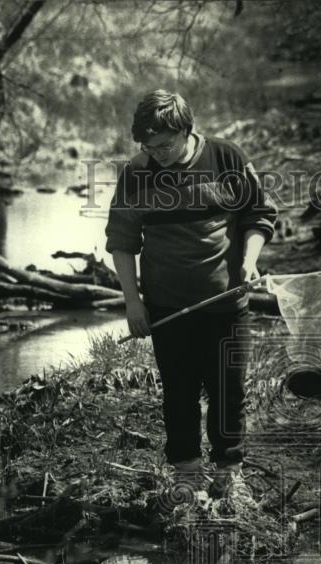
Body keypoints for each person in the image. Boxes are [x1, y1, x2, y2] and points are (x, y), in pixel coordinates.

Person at [105, 90, 277, 496]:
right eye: (148, 146)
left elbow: (259, 212)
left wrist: (249, 261)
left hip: (227, 306)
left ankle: (229, 474)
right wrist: (133, 301)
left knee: (228, 391)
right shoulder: (137, 173)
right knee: (178, 394)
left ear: (187, 131)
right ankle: (186, 475)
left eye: (164, 145)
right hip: (167, 307)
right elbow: (122, 241)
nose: (156, 154)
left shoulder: (226, 159)